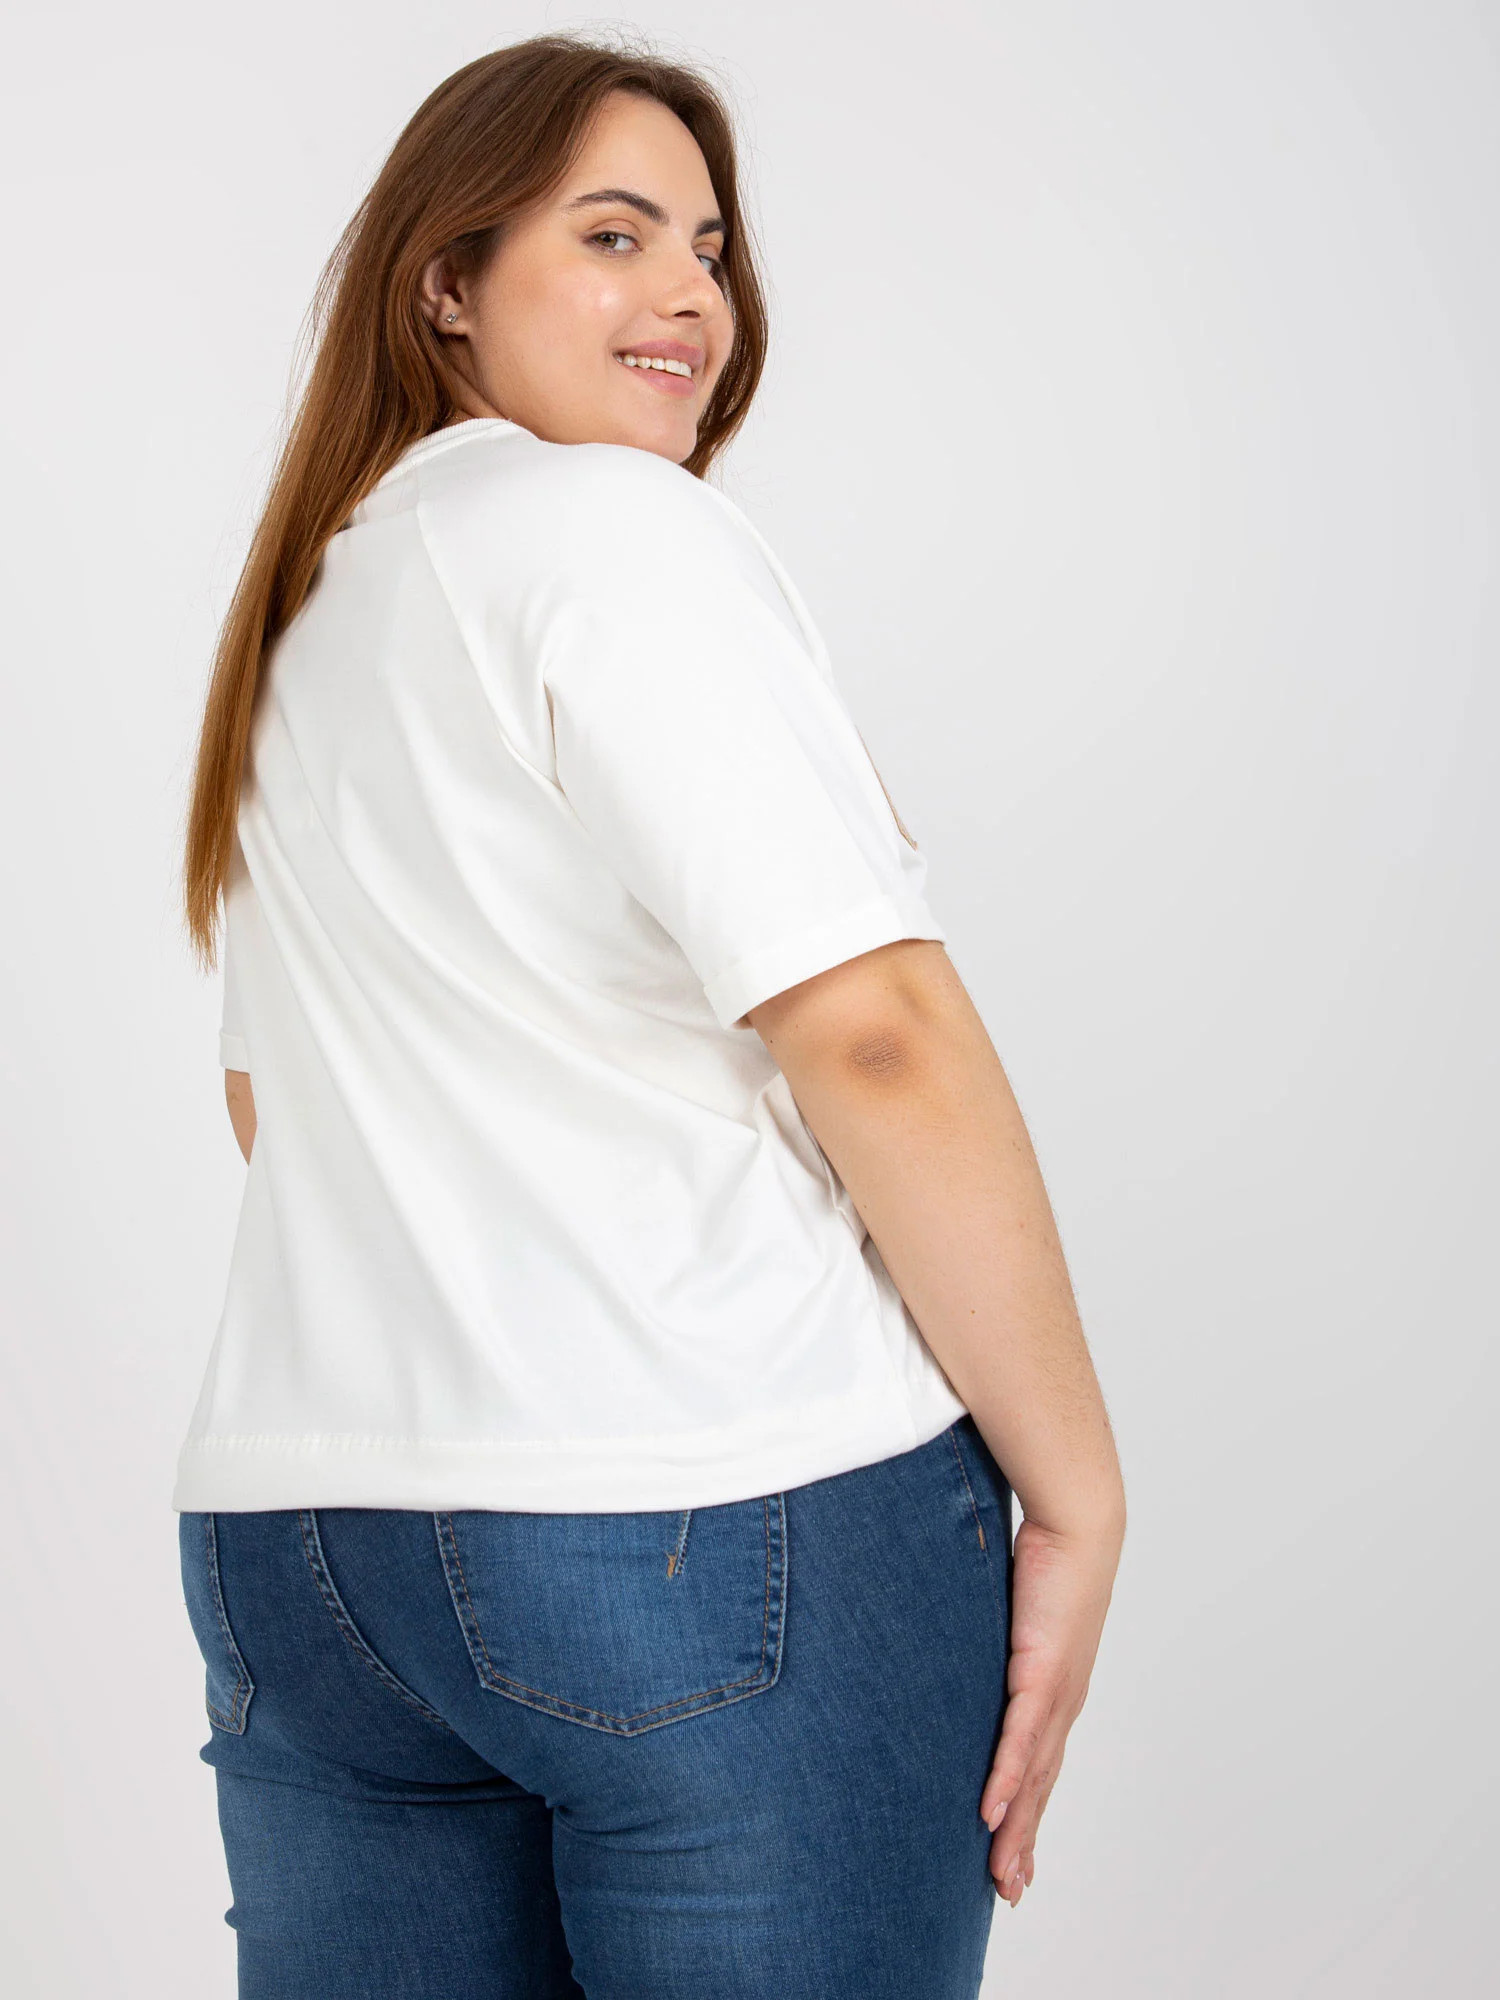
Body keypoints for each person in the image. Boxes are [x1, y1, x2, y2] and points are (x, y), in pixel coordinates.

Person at [175, 32, 1126, 2000]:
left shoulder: (313, 618)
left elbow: (274, 1110)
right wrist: (1080, 1492)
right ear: (447, 281)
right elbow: (874, 1030)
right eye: (613, 236)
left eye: (707, 245)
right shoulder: (607, 530)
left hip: (311, 1549)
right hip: (705, 1510)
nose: (690, 292)